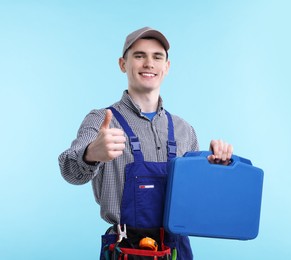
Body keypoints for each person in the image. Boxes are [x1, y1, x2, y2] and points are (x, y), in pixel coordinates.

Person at [58, 26, 233, 259]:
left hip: (176, 250)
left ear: (166, 67)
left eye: (157, 57)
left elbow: (197, 204)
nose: (149, 63)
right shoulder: (101, 121)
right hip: (126, 249)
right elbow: (70, 172)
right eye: (139, 56)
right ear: (123, 64)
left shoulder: (184, 130)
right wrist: (91, 154)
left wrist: (215, 171)